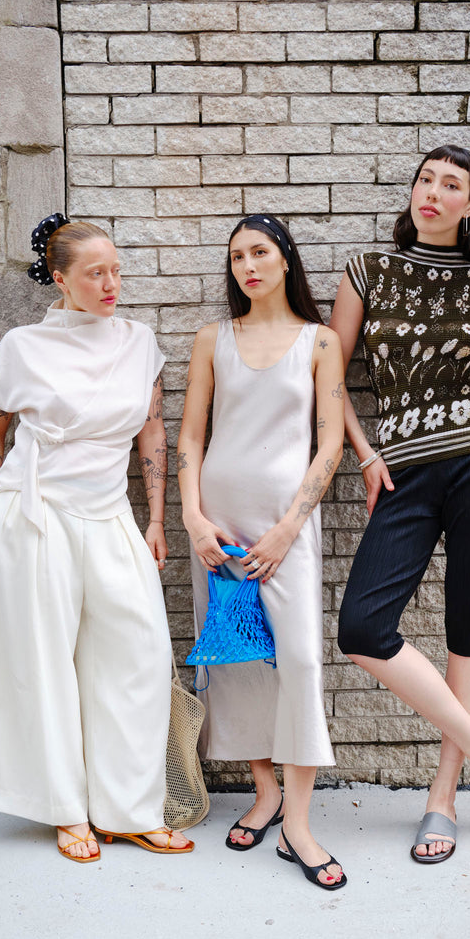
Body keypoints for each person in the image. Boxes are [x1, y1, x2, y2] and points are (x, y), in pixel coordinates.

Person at [330, 146, 470, 864]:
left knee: (466, 628)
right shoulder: (368, 270)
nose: (434, 191)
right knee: (362, 626)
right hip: (403, 473)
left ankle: (444, 797)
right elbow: (327, 380)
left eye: (452, 184)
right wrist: (364, 452)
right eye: (426, 178)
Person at [0, 213, 193, 861]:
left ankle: (130, 809)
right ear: (61, 280)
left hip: (110, 514)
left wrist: (153, 518)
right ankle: (67, 812)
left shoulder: (137, 341)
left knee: (141, 657)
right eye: (96, 273)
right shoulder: (23, 346)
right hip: (38, 516)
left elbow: (151, 431)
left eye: (116, 270)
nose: (111, 283)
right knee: (45, 667)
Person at [177, 214, 347, 890]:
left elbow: (330, 443)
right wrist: (191, 516)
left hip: (285, 525)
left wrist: (288, 528)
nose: (247, 265)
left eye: (259, 252)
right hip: (218, 524)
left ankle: (298, 824)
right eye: (237, 256)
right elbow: (189, 433)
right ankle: (265, 793)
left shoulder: (320, 341)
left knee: (299, 660)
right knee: (239, 659)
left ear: (284, 261)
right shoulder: (212, 339)